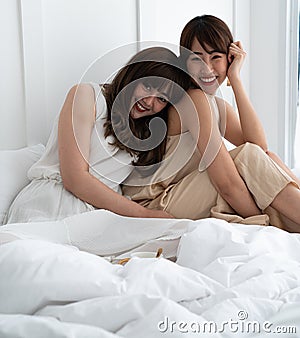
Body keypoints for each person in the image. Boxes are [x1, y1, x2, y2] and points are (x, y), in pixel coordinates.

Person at [122, 15, 300, 232]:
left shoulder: (215, 104)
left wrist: (235, 79)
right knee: (246, 160)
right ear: (184, 62)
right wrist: (263, 225)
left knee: (268, 159)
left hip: (182, 192)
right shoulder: (193, 99)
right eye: (196, 58)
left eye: (216, 57)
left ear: (230, 59)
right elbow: (227, 184)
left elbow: (260, 147)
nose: (206, 68)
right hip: (155, 203)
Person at [4, 46, 188, 224]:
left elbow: (204, 110)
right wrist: (144, 215)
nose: (148, 102)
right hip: (53, 204)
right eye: (147, 86)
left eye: (162, 98)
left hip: (100, 215)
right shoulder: (87, 96)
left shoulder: (146, 131)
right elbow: (75, 179)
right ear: (132, 76)